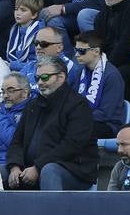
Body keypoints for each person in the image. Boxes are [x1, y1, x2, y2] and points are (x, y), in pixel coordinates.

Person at [5, 55, 98, 190]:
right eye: (37, 78)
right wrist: (14, 166)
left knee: (49, 171)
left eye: (45, 77)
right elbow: (16, 141)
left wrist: (38, 167)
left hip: (73, 170)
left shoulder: (78, 105)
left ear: (61, 77)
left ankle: (51, 212)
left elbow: (71, 146)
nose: (40, 83)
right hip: (30, 169)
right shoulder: (32, 105)